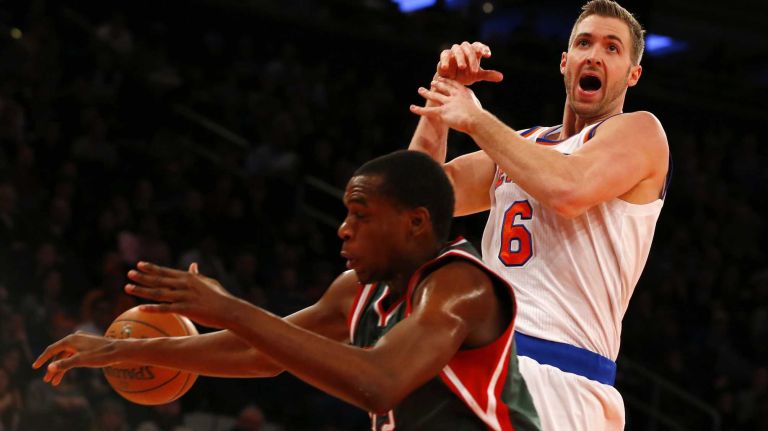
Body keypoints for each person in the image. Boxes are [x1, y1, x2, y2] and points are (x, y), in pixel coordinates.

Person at [34, 150, 540, 431]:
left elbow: (382, 381)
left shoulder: (460, 285)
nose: (343, 229)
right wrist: (116, 349)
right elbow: (258, 352)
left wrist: (230, 309)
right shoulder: (356, 291)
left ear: (415, 222)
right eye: (344, 213)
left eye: (360, 215)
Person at [408, 1, 670, 430]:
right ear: (565, 63)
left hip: (565, 377)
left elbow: (569, 189)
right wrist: (442, 99)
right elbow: (415, 201)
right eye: (584, 43)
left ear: (633, 74)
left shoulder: (641, 132)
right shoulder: (523, 143)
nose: (594, 56)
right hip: (481, 357)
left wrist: (475, 120)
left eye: (612, 48)